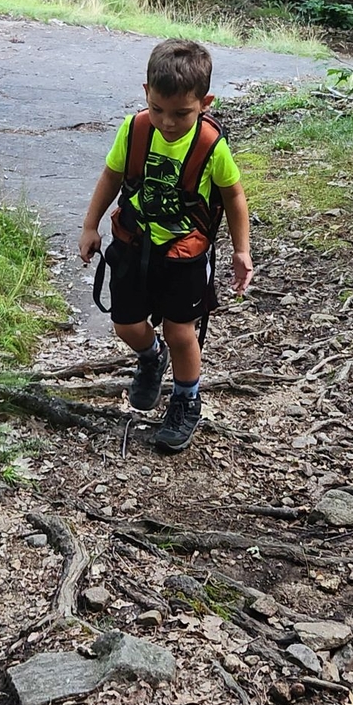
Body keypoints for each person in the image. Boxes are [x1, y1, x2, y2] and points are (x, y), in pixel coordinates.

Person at [79, 39, 253, 452]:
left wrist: (241, 250)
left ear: (205, 104)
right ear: (146, 93)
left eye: (181, 113)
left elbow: (234, 196)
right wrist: (90, 225)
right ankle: (151, 356)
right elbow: (111, 177)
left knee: (180, 331)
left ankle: (186, 400)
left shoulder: (210, 146)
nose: (167, 123)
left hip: (184, 254)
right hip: (133, 244)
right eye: (157, 109)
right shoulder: (135, 130)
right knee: (126, 325)